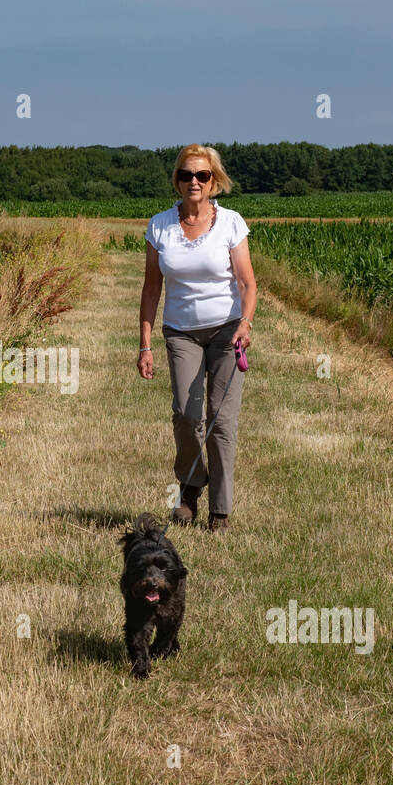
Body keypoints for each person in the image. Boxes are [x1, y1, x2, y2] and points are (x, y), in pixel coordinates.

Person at [138, 144, 257, 532]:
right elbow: (151, 288)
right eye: (187, 175)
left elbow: (245, 281)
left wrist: (246, 322)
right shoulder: (160, 226)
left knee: (222, 422)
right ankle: (190, 486)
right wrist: (145, 343)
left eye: (202, 176)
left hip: (227, 331)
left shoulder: (230, 223)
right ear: (177, 180)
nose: (194, 181)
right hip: (181, 332)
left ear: (213, 181)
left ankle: (220, 512)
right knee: (188, 417)